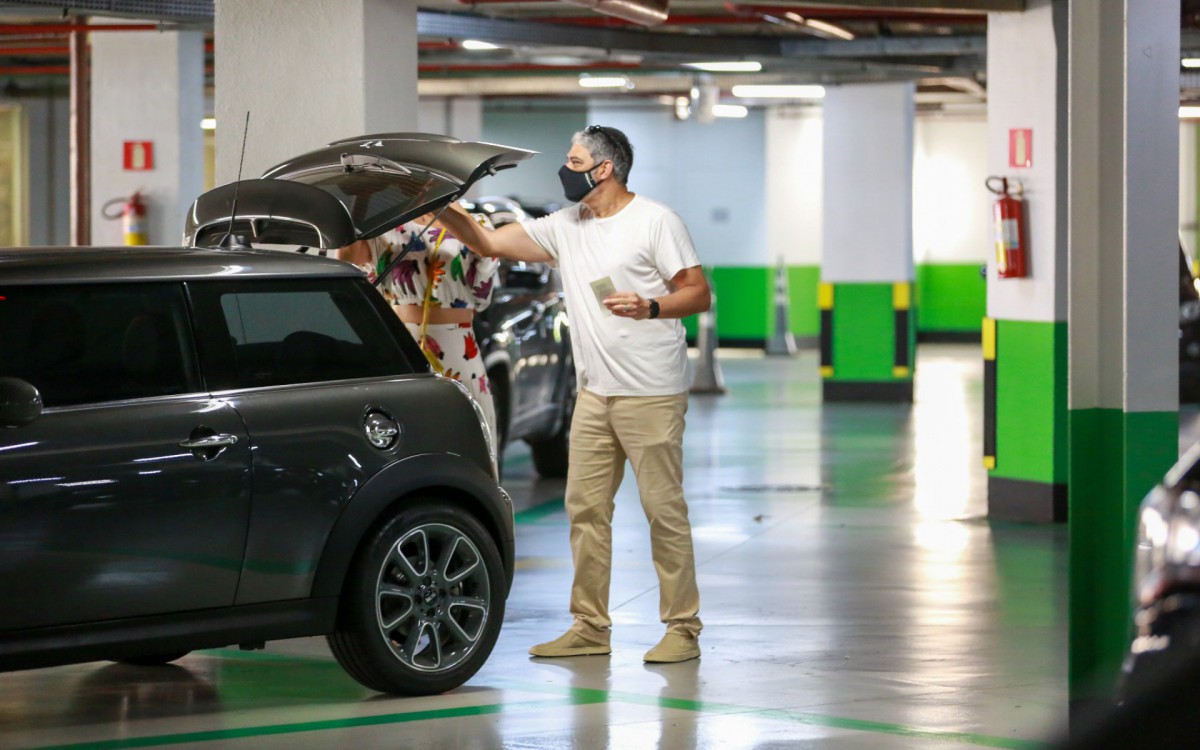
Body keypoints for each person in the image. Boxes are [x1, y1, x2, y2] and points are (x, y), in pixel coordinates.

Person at [436, 125, 711, 664]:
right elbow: (488, 242)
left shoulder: (657, 221)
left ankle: (682, 628)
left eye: (574, 158)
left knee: (663, 511)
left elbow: (698, 292)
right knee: (585, 510)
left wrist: (651, 306)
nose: (566, 167)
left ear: (603, 168)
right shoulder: (567, 225)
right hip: (594, 395)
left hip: (650, 392)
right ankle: (590, 626)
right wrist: (440, 201)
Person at [337, 213, 499, 447]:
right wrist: (360, 206)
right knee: (408, 439)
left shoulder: (475, 222)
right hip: (401, 344)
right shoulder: (384, 223)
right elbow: (349, 264)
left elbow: (483, 284)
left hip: (458, 347)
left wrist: (451, 205)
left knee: (468, 441)